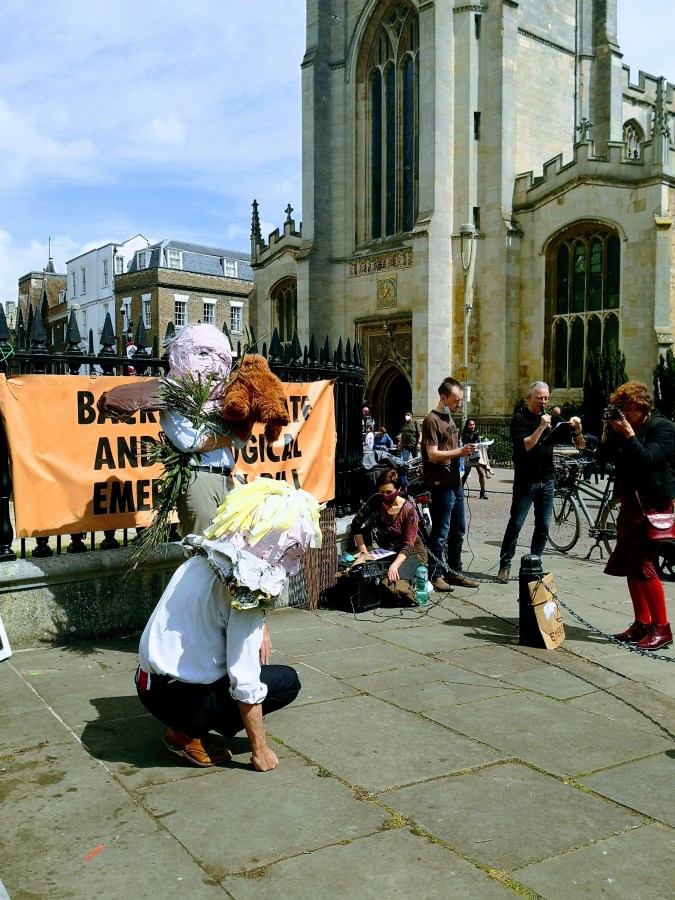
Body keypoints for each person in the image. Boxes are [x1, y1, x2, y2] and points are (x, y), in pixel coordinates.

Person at [599, 381, 674, 651]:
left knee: (644, 564)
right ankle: (642, 622)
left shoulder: (662, 427)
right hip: (631, 503)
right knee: (631, 564)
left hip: (654, 505)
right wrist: (608, 432)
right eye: (621, 409)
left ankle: (662, 628)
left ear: (642, 407)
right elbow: (603, 459)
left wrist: (630, 435)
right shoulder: (624, 426)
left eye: (628, 409)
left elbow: (648, 460)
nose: (624, 414)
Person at [497, 381, 582, 584]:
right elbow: (525, 445)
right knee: (516, 523)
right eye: (539, 398)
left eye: (546, 398)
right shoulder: (520, 419)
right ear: (529, 398)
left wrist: (577, 427)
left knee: (543, 525)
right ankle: (505, 565)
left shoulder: (553, 419)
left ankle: (534, 563)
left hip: (547, 479)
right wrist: (542, 427)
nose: (543, 402)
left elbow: (578, 442)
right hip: (526, 481)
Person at [158, 324, 239, 536]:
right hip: (198, 477)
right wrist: (225, 439)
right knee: (203, 549)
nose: (214, 365)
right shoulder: (173, 396)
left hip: (226, 477)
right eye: (203, 353)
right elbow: (190, 442)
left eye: (222, 358)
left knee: (231, 549)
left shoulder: (224, 401)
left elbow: (240, 439)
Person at [421, 377, 479, 591]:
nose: (459, 404)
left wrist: (468, 450)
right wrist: (460, 452)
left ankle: (455, 572)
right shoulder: (432, 420)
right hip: (440, 483)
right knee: (441, 531)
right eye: (456, 400)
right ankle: (435, 574)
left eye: (461, 400)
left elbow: (451, 447)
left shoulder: (450, 418)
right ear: (443, 398)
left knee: (458, 529)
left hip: (455, 481)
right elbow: (432, 454)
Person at [350, 467, 428, 588]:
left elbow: (408, 546)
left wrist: (394, 566)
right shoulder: (376, 500)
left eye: (389, 492)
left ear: (398, 489)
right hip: (387, 552)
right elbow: (356, 524)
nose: (385, 496)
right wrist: (363, 551)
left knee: (397, 580)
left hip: (412, 553)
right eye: (381, 492)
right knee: (367, 572)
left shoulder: (409, 511)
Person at [461, 419, 492, 499]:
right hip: (469, 455)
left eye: (473, 424)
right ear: (467, 426)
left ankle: (483, 492)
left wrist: (482, 444)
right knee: (466, 474)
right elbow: (465, 444)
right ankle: (460, 490)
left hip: (476, 455)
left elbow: (478, 443)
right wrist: (473, 441)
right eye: (470, 425)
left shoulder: (476, 434)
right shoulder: (465, 434)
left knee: (481, 473)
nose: (472, 426)